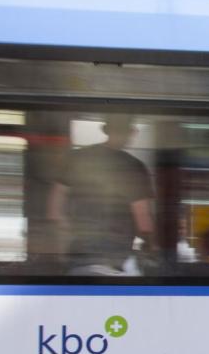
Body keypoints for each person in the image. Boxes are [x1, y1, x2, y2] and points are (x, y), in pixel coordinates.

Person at [48, 114, 154, 274]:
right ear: (131, 132)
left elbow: (54, 211)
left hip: (79, 250)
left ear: (106, 130)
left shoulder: (76, 157)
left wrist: (69, 232)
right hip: (115, 253)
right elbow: (143, 219)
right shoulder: (134, 167)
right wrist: (152, 245)